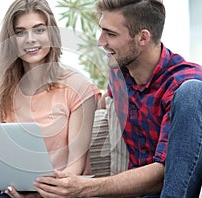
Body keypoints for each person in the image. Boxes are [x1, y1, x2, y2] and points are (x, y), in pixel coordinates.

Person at [34, 0, 202, 197]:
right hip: (130, 193)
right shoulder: (119, 73)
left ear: (142, 37)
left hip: (166, 191)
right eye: (102, 30)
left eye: (110, 34)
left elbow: (166, 173)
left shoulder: (180, 84)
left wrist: (84, 188)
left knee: (193, 91)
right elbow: (105, 102)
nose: (100, 41)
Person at [0, 0, 101, 197]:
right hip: (12, 191)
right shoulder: (0, 91)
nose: (30, 39)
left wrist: (38, 193)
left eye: (39, 30)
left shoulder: (78, 87)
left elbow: (77, 165)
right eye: (20, 32)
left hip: (60, 190)